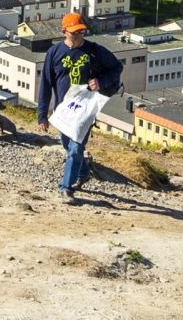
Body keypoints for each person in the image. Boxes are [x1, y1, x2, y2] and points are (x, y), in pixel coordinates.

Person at [34, 12, 123, 204]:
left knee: (75, 147)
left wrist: (100, 81)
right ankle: (83, 172)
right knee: (67, 145)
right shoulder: (54, 53)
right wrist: (42, 115)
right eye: (74, 33)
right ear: (64, 31)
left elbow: (116, 68)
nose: (78, 36)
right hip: (63, 110)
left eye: (81, 32)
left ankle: (66, 188)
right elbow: (46, 84)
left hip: (85, 110)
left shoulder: (94, 51)